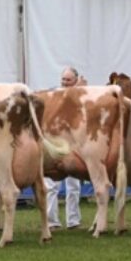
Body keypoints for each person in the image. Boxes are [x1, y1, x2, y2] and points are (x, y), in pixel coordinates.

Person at [46, 66, 83, 230]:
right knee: (51, 184)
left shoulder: (81, 97)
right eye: (63, 79)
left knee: (73, 184)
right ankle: (52, 221)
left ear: (75, 81)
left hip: (73, 144)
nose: (65, 83)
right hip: (55, 142)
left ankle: (73, 221)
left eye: (68, 80)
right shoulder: (53, 95)